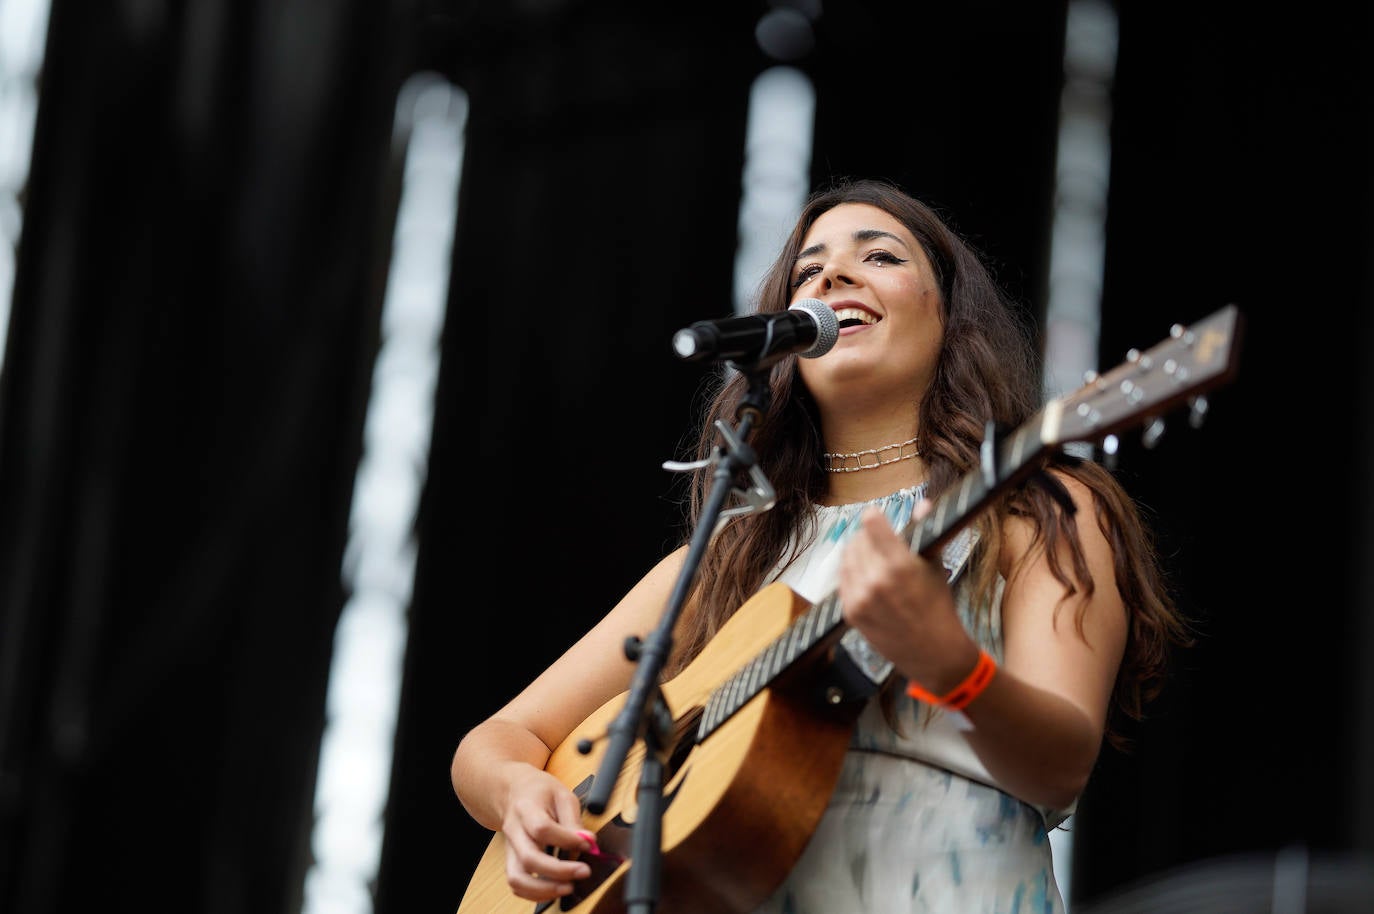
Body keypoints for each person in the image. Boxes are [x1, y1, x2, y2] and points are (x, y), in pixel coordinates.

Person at [449, 177, 1191, 913]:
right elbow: (498, 738)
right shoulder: (728, 559)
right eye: (810, 269)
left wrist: (953, 667)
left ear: (951, 317)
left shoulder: (1037, 509)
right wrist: (519, 790)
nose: (833, 273)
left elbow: (1059, 768)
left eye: (882, 258)